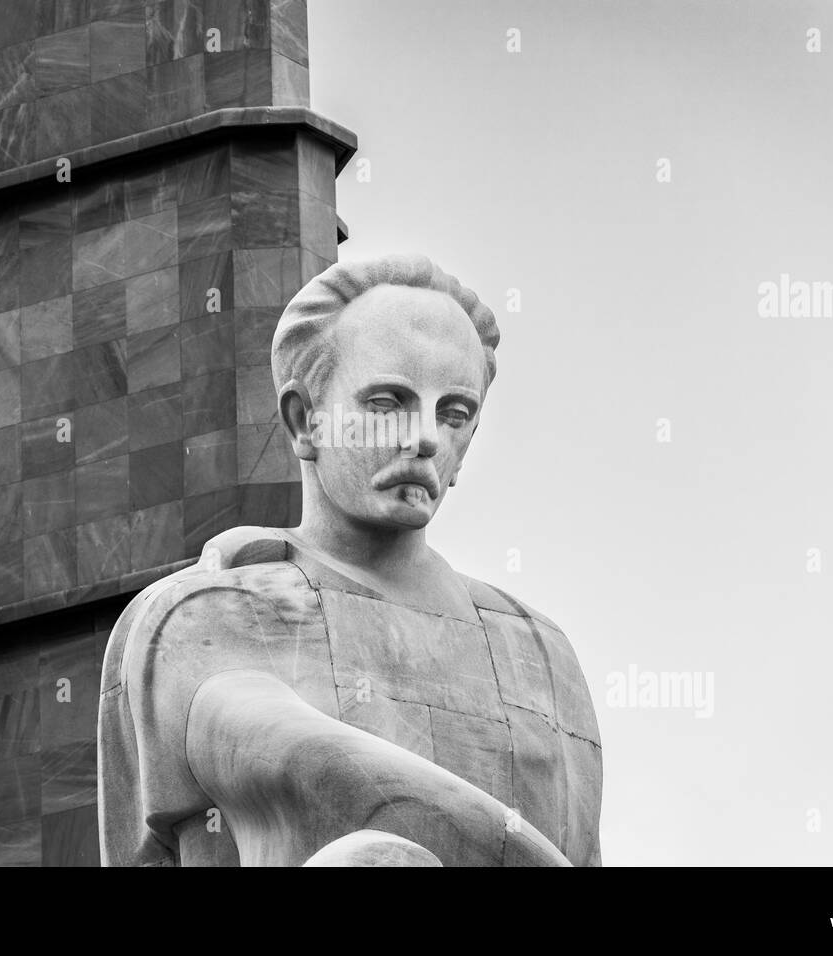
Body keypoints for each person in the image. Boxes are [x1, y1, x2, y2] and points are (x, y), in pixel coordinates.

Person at [98, 254, 602, 866]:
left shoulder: (540, 653)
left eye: (454, 413)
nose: (425, 438)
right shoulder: (204, 615)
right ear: (305, 420)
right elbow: (289, 755)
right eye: (388, 402)